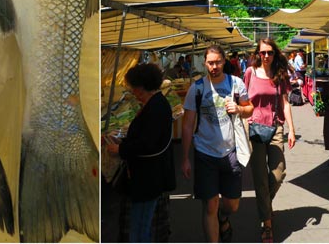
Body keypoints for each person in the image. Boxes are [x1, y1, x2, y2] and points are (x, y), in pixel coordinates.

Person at [181, 45, 253, 243]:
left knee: (232, 205)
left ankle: (224, 217)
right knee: (210, 205)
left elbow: (250, 109)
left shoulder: (236, 83)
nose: (214, 66)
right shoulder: (196, 89)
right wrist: (185, 158)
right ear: (205, 63)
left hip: (230, 152)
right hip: (205, 153)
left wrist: (238, 108)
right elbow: (187, 126)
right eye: (210, 63)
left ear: (224, 61)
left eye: (218, 62)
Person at [106, 63, 176, 242]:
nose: (132, 91)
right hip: (147, 176)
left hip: (148, 177)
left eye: (133, 87)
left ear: (140, 87)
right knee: (140, 225)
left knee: (140, 228)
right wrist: (124, 142)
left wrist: (120, 149)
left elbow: (147, 144)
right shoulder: (154, 103)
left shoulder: (157, 107)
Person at [243, 38, 296, 243]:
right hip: (254, 129)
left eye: (269, 53)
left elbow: (285, 103)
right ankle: (266, 223)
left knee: (278, 172)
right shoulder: (250, 73)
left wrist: (291, 130)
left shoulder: (280, 74)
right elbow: (244, 99)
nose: (266, 56)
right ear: (258, 53)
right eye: (263, 52)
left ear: (275, 54)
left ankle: (264, 204)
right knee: (260, 178)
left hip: (275, 128)